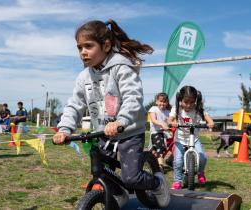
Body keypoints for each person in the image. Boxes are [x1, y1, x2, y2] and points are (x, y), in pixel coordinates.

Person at [52, 19, 170, 207]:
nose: (83, 52)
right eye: (79, 47)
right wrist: (64, 129)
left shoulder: (121, 68)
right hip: (103, 132)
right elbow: (74, 104)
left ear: (106, 45)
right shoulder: (84, 77)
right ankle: (117, 193)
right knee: (101, 171)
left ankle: (157, 183)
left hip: (129, 130)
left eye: (88, 46)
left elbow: (133, 97)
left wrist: (121, 121)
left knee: (131, 177)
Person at [168, 86, 214, 190]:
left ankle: (200, 172)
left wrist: (210, 122)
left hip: (195, 138)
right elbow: (169, 120)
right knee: (178, 161)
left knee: (203, 157)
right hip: (180, 139)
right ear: (180, 100)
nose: (189, 105)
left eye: (192, 102)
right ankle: (177, 181)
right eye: (186, 102)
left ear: (195, 101)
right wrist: (172, 122)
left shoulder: (198, 109)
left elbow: (208, 119)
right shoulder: (177, 108)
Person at [148, 93, 171, 169]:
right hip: (156, 132)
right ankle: (160, 165)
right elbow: (154, 120)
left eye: (164, 102)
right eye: (160, 101)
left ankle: (171, 160)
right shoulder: (153, 109)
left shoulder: (168, 112)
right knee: (159, 147)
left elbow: (170, 122)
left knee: (174, 144)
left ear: (167, 102)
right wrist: (162, 124)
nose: (162, 103)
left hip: (165, 133)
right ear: (156, 101)